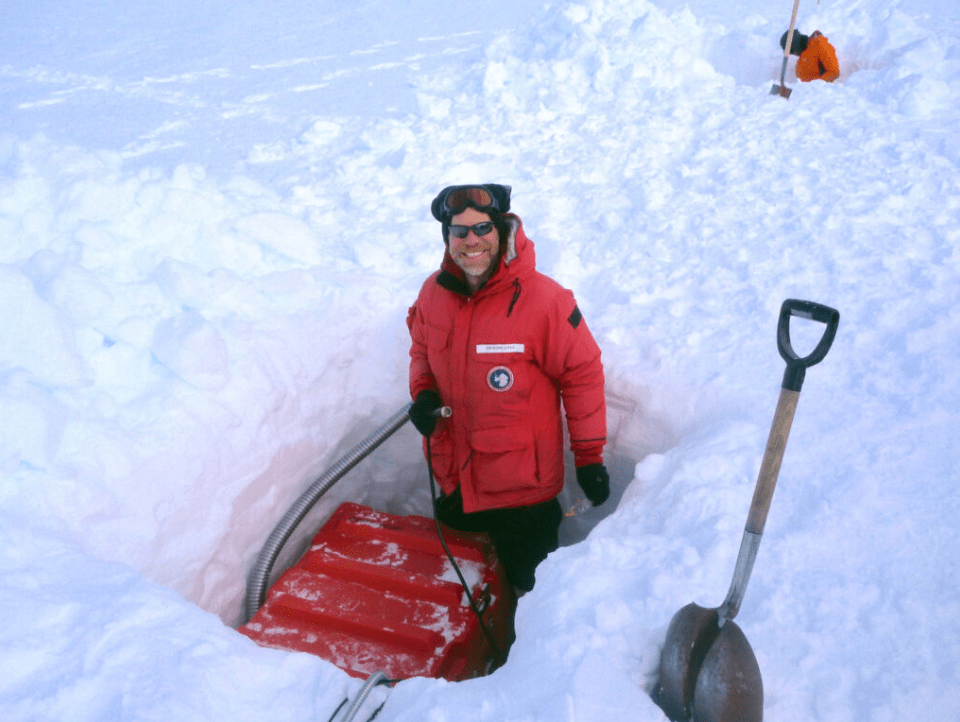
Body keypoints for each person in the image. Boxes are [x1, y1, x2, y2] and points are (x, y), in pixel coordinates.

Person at [406, 183, 609, 594]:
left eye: (481, 228)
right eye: (458, 232)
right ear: (447, 238)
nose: (471, 241)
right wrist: (423, 392)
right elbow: (421, 353)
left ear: (502, 230)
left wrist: (589, 458)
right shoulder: (434, 294)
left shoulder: (545, 300)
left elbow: (582, 373)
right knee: (461, 598)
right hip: (455, 485)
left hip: (524, 499)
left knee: (530, 600)